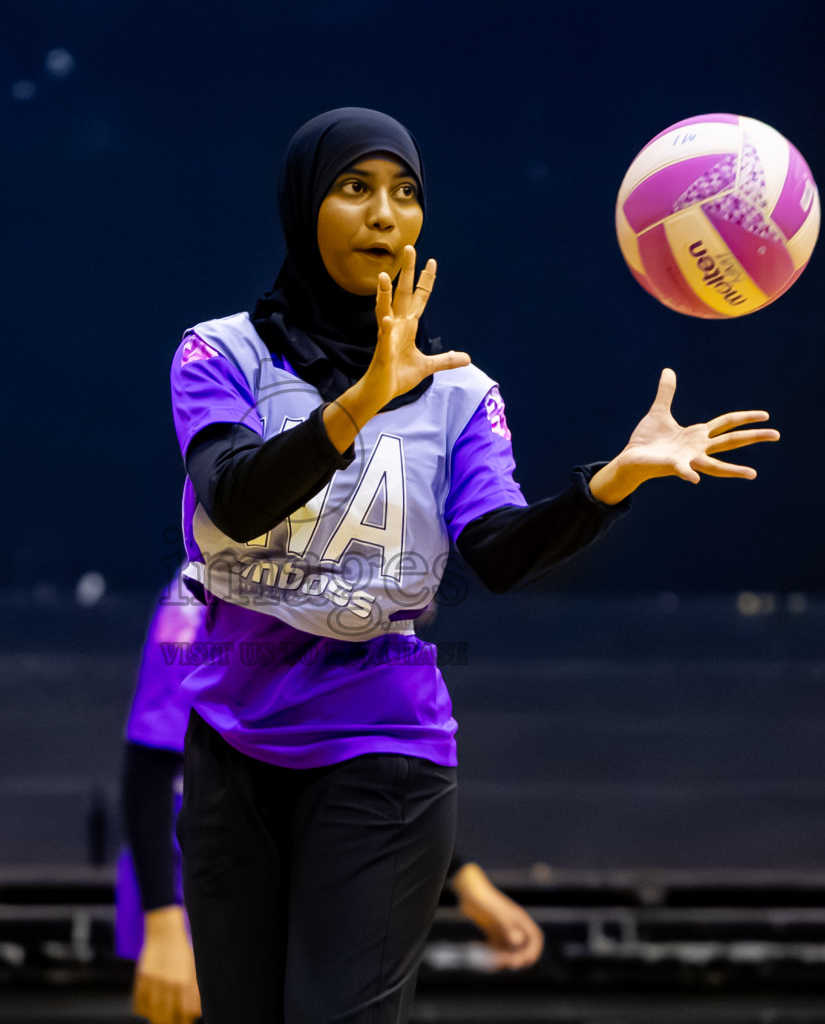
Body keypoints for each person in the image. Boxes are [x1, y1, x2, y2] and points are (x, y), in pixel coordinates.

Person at [168, 107, 778, 1023]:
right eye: (355, 188)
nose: (386, 215)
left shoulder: (458, 391)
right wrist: (362, 399)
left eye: (406, 193)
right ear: (303, 205)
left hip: (383, 745)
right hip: (232, 743)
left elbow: (497, 555)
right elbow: (235, 498)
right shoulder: (220, 354)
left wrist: (611, 482)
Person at [116, 578, 544, 1024]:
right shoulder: (200, 597)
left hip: (292, 877)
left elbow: (343, 773)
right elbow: (149, 764)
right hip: (192, 890)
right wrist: (163, 922)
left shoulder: (339, 616)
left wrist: (467, 883)